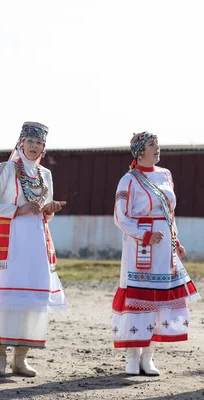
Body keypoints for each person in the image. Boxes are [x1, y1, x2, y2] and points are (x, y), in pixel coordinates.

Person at [0, 122, 67, 377]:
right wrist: (18, 209)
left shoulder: (45, 175)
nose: (34, 148)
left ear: (43, 148)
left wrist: (49, 209)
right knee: (4, 298)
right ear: (21, 143)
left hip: (35, 243)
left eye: (39, 144)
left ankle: (21, 358)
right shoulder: (6, 169)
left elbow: (43, 213)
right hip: (9, 242)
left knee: (31, 300)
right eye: (30, 142)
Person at [112, 132, 200, 375]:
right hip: (140, 244)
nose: (157, 148)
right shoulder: (128, 180)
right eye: (152, 144)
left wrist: (175, 241)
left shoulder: (166, 175)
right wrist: (144, 236)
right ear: (140, 151)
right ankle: (132, 356)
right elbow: (120, 216)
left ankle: (148, 356)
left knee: (160, 299)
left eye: (157, 144)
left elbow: (169, 214)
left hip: (163, 248)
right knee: (138, 298)